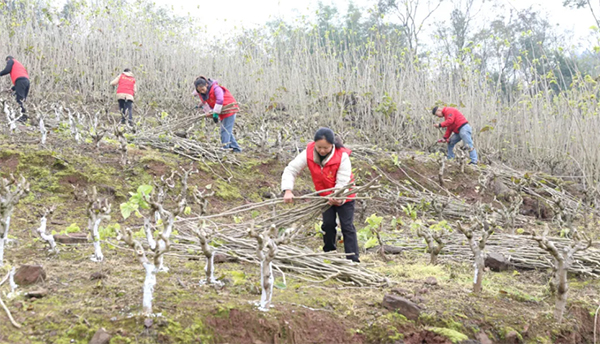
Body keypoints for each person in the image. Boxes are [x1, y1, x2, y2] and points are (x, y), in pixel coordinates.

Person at [281, 127, 360, 262]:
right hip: (324, 195)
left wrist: (337, 197)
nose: (322, 150)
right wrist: (288, 190)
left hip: (345, 194)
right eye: (319, 147)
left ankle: (353, 259)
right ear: (315, 144)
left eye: (326, 148)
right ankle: (329, 253)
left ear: (332, 145)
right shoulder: (308, 153)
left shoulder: (342, 156)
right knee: (328, 224)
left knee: (347, 226)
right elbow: (291, 169)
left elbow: (343, 180)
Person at [193, 76, 241, 152]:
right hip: (221, 112)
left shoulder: (216, 88)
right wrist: (207, 111)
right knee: (227, 130)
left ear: (206, 85)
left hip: (229, 110)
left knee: (224, 131)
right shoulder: (204, 94)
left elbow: (220, 100)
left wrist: (215, 114)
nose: (202, 92)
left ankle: (225, 149)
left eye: (202, 89)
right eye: (199, 90)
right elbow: (207, 103)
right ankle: (236, 149)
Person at [0, 56, 30, 122]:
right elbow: (21, 78)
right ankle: (23, 114)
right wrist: (13, 89)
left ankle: (23, 116)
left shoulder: (11, 61)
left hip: (20, 81)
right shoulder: (19, 65)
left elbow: (7, 70)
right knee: (22, 98)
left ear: (8, 59)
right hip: (26, 81)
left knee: (19, 99)